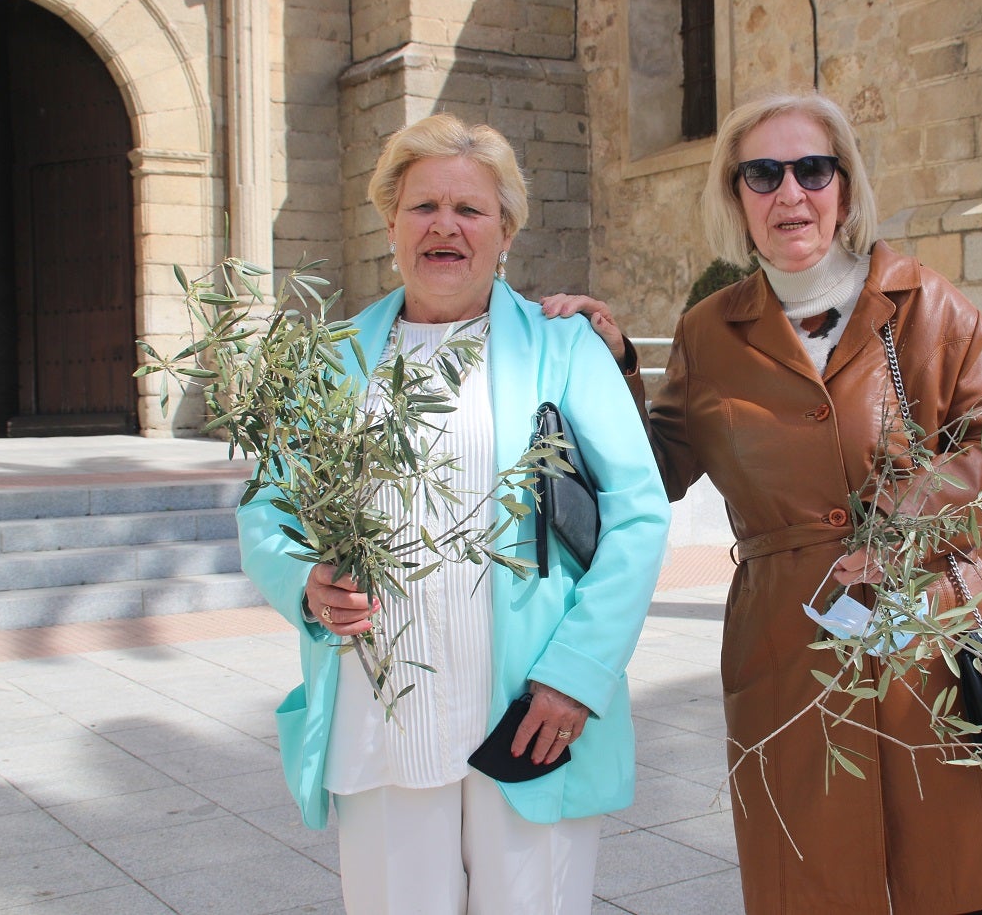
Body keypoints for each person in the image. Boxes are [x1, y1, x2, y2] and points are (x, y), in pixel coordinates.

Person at [542, 93, 982, 915]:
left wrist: (898, 533)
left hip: (932, 631)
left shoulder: (925, 304)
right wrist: (611, 365)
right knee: (816, 883)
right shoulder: (710, 333)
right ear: (737, 199)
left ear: (846, 189)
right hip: (792, 641)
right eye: (763, 173)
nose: (791, 193)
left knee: (956, 877)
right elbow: (659, 468)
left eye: (812, 169)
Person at [238, 112, 671, 915]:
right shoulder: (330, 361)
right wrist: (305, 582)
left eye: (470, 209)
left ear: (505, 230)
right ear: (391, 224)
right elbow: (268, 508)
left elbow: (639, 514)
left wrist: (576, 674)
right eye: (423, 206)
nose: (446, 225)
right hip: (382, 708)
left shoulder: (563, 349)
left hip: (529, 707)